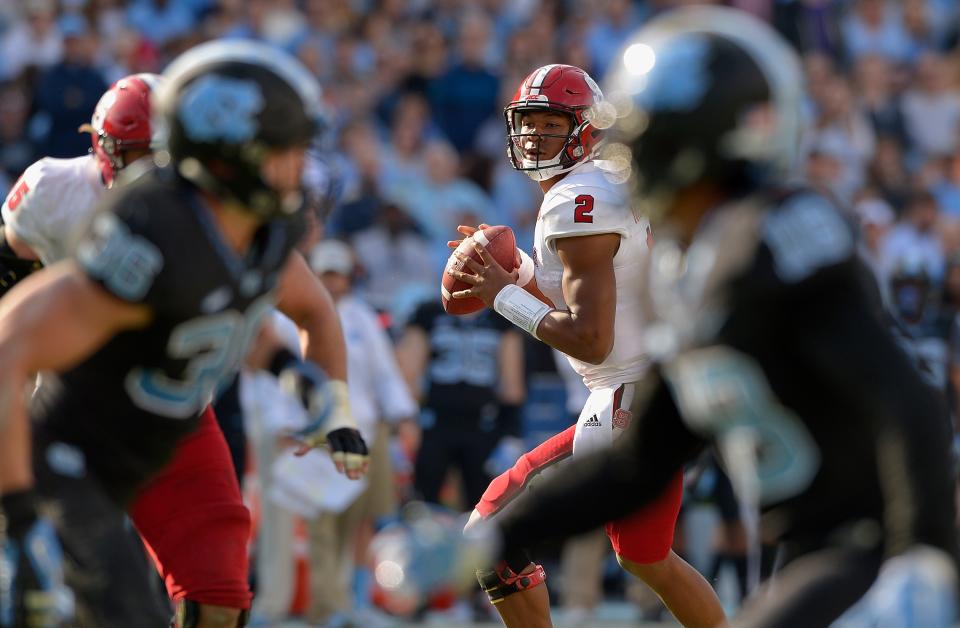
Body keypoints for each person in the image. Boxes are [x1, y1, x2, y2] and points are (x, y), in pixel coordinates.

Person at [469, 7, 957, 627]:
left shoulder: (775, 239)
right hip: (810, 544)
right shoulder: (687, 263)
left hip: (873, 550)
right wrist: (489, 543)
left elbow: (907, 400)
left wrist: (923, 553)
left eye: (648, 147)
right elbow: (641, 459)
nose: (632, 169)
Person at [0, 40, 368, 627]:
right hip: (80, 447)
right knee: (111, 610)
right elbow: (9, 343)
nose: (298, 169)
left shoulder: (259, 229)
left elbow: (246, 319)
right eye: (282, 151)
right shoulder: (151, 228)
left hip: (176, 426)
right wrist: (19, 514)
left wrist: (310, 388)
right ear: (224, 155)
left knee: (221, 596)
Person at [447, 63, 725, 627]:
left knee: (491, 535)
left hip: (625, 395)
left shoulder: (579, 199)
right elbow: (590, 294)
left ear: (585, 129)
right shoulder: (595, 187)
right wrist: (520, 272)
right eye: (528, 124)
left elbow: (592, 339)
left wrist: (504, 296)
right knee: (645, 557)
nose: (534, 138)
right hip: (649, 388)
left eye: (551, 124)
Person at [396, 295, 525, 512]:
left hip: (483, 424)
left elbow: (512, 385)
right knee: (424, 505)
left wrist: (511, 432)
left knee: (483, 508)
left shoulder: (501, 316)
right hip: (435, 422)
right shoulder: (429, 313)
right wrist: (407, 423)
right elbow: (409, 376)